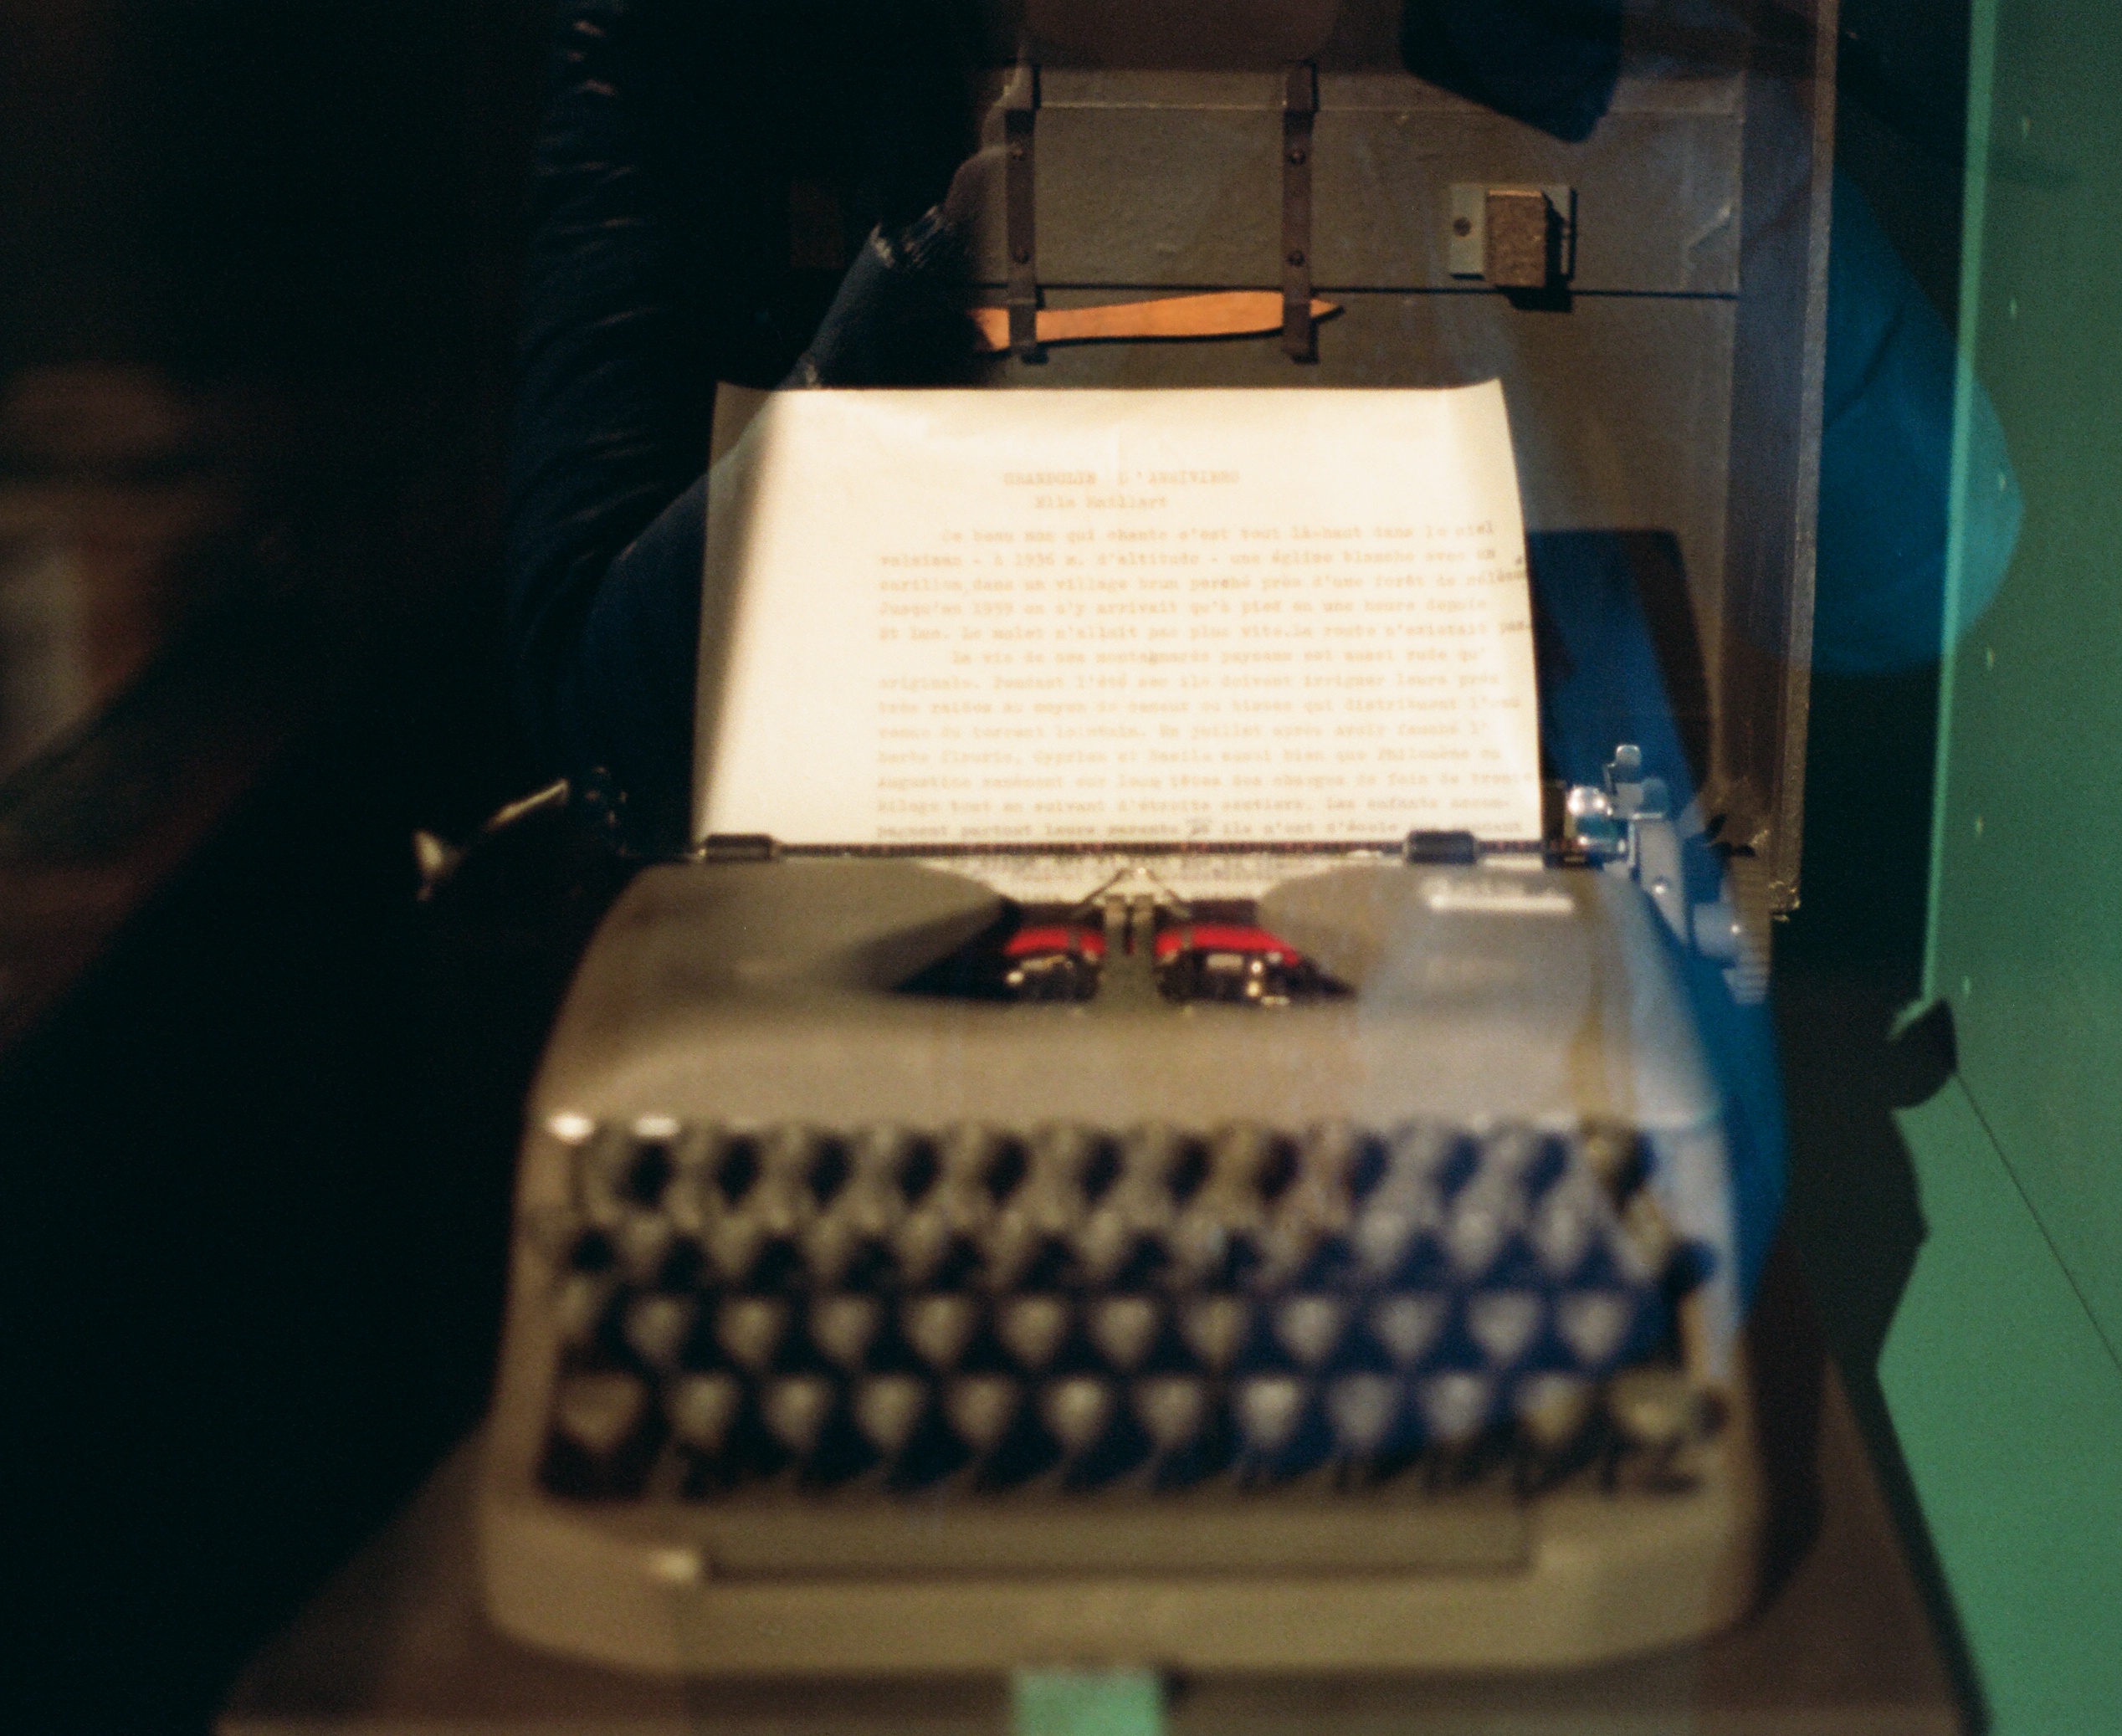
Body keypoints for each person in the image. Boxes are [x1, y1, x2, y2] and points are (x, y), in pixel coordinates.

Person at [503, 0, 2019, 1288]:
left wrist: (1602, 101)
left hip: (1489, 1042)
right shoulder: (706, 37)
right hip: (909, 1046)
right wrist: (962, 266)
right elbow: (615, 729)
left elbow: (1908, 580)